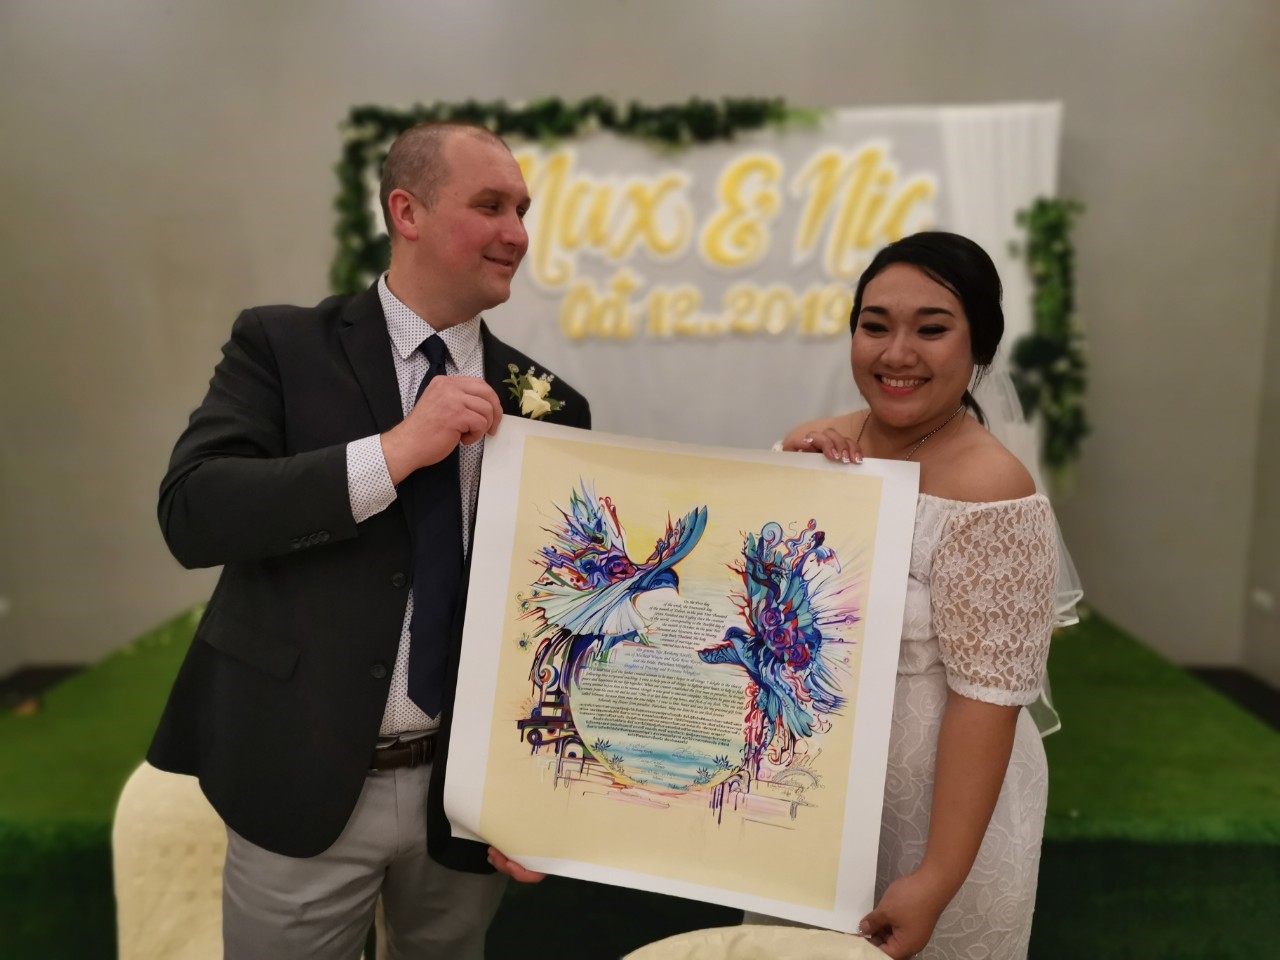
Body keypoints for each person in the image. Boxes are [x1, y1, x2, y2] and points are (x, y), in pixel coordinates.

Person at [147, 122, 586, 959]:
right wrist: (393, 453)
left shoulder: (552, 404)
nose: (516, 233)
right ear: (406, 212)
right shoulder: (280, 346)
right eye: (490, 205)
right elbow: (193, 512)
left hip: (462, 803)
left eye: (523, 211)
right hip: (301, 773)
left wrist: (533, 791)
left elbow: (555, 620)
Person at [778, 232, 1066, 958]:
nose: (897, 353)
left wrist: (936, 878)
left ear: (979, 346)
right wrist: (790, 485)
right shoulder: (813, 444)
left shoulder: (991, 488)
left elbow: (988, 700)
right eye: (875, 326)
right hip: (809, 802)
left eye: (931, 329)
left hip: (937, 819)